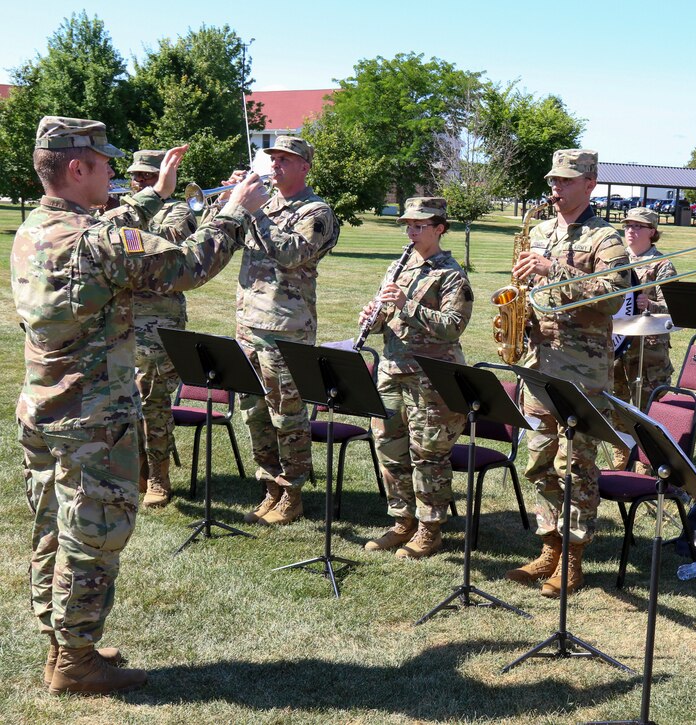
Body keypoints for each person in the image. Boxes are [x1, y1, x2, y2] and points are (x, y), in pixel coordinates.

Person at [13, 116, 266, 695]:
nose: (114, 176)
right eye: (105, 165)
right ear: (78, 168)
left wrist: (156, 196)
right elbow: (186, 266)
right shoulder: (98, 241)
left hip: (44, 409)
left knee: (54, 529)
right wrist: (235, 211)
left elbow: (110, 230)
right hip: (92, 419)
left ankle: (63, 647)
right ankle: (77, 665)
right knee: (93, 537)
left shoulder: (35, 229)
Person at [504, 149, 630, 597]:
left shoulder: (607, 239)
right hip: (537, 362)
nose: (555, 189)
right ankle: (549, 547)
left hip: (581, 370)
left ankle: (574, 558)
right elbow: (526, 287)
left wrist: (553, 270)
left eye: (565, 181)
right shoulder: (539, 230)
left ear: (590, 184)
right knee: (539, 459)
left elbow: (615, 297)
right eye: (553, 181)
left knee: (575, 463)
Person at [227, 136, 340, 526]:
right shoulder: (262, 201)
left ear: (304, 167)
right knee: (253, 411)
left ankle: (292, 492)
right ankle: (269, 485)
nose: (275, 165)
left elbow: (293, 254)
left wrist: (256, 213)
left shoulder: (317, 211)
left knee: (287, 413)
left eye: (285, 160)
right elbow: (218, 232)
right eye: (272, 157)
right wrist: (231, 200)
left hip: (286, 328)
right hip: (248, 323)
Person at [360, 197, 473, 558]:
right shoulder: (399, 266)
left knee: (428, 453)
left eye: (419, 225)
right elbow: (386, 319)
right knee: (390, 449)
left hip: (431, 377)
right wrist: (373, 317)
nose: (411, 231)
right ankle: (402, 520)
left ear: (440, 228)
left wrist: (407, 305)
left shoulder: (452, 275)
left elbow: (453, 328)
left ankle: (430, 528)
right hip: (392, 370)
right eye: (408, 224)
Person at [121, 150, 197, 507]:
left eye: (146, 178)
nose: (138, 183)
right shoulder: (121, 209)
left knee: (153, 401)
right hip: (121, 318)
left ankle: (158, 477)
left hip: (158, 321)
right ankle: (132, 470)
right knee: (123, 400)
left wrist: (134, 214)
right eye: (135, 177)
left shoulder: (179, 211)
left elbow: (154, 248)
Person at [610, 206, 676, 471]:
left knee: (648, 406)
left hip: (649, 353)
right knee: (617, 402)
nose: (630, 231)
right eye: (627, 226)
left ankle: (647, 461)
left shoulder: (662, 265)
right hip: (618, 345)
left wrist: (650, 304)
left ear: (652, 232)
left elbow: (673, 309)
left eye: (637, 226)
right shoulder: (617, 262)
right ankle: (621, 451)